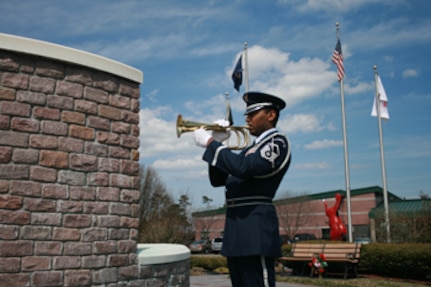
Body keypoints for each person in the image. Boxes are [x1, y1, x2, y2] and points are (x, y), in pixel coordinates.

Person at [193, 91, 292, 287]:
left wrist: (212, 144)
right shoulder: (249, 149)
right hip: (237, 226)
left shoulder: (277, 142)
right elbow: (218, 179)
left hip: (255, 227)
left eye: (253, 113)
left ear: (271, 115)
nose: (247, 118)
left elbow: (242, 168)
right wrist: (219, 143)